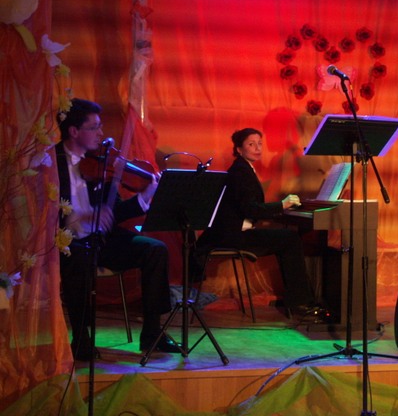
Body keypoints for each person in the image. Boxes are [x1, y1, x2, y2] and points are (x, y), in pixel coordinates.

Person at [56, 98, 180, 361]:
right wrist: (85, 214)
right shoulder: (51, 163)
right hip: (67, 242)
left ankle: (152, 333)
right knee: (78, 259)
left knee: (155, 250)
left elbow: (116, 212)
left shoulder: (101, 163)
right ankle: (81, 339)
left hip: (102, 240)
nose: (101, 133)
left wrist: (146, 195)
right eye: (94, 127)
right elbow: (44, 213)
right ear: (74, 131)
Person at [195, 128, 328, 320]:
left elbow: (251, 207)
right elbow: (250, 209)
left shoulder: (243, 168)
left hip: (234, 233)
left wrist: (280, 208)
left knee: (288, 238)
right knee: (290, 239)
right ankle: (300, 303)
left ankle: (298, 299)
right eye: (251, 144)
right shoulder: (240, 172)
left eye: (259, 144)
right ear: (239, 149)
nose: (257, 148)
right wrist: (282, 205)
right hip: (231, 236)